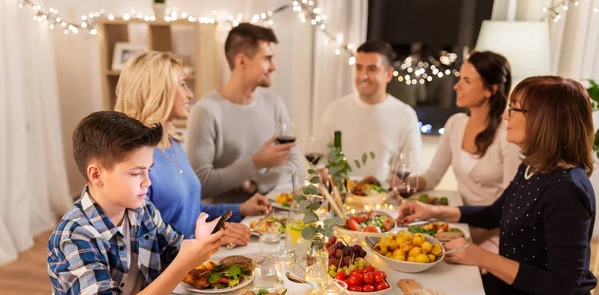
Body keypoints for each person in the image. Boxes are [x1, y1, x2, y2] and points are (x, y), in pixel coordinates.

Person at [398, 76, 597, 295]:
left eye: (515, 109)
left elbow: (562, 286)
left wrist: (481, 257)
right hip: (516, 292)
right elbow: (495, 214)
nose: (506, 115)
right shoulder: (532, 168)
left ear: (544, 119)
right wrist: (434, 211)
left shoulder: (566, 191)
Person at [32, 111, 224, 295]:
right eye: (136, 173)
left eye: (148, 170)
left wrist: (198, 241)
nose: (148, 181)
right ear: (96, 174)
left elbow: (174, 248)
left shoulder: (140, 209)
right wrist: (184, 261)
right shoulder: (75, 237)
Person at [115, 51, 270, 245]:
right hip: (175, 268)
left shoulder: (175, 144)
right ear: (158, 91)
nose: (189, 94)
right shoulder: (136, 162)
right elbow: (145, 244)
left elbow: (191, 212)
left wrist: (240, 210)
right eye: (181, 84)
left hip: (198, 258)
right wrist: (208, 239)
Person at [186, 23, 302, 204]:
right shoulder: (205, 112)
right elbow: (199, 183)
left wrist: (256, 183)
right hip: (225, 223)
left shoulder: (274, 104)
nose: (274, 66)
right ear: (241, 61)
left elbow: (295, 165)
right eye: (267, 59)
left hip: (270, 217)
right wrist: (256, 164)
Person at [416, 51, 521, 252]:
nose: (457, 87)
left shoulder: (507, 135)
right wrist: (406, 183)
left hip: (494, 233)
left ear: (491, 89)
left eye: (467, 81)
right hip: (460, 221)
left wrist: (471, 239)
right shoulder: (456, 124)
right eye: (459, 79)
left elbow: (511, 207)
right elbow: (432, 176)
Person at [315, 40, 423, 183]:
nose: (363, 76)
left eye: (372, 69)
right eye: (359, 68)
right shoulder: (335, 109)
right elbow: (319, 157)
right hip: (340, 198)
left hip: (385, 200)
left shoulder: (405, 115)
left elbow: (413, 168)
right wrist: (322, 172)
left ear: (389, 74)